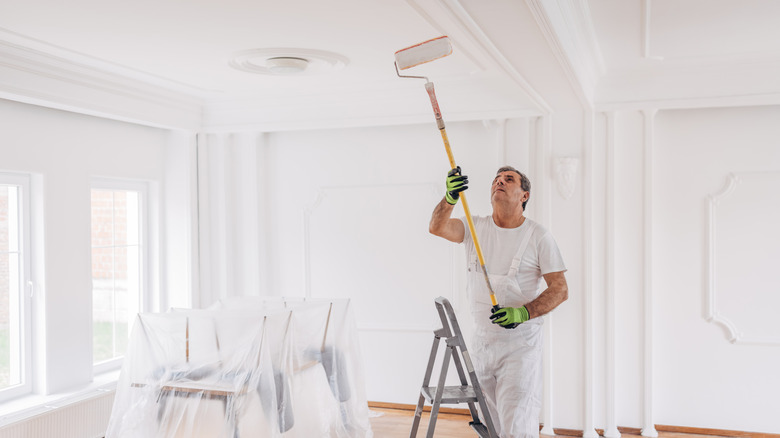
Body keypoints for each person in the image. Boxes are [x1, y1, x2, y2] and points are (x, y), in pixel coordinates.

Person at [429, 165, 568, 438]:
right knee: (490, 427)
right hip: (482, 346)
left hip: (520, 350)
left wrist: (523, 313)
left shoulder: (538, 236)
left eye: (508, 179)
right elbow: (437, 227)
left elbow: (560, 289)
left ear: (524, 196)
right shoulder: (474, 227)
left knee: (517, 424)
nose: (499, 183)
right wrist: (449, 198)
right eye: (496, 180)